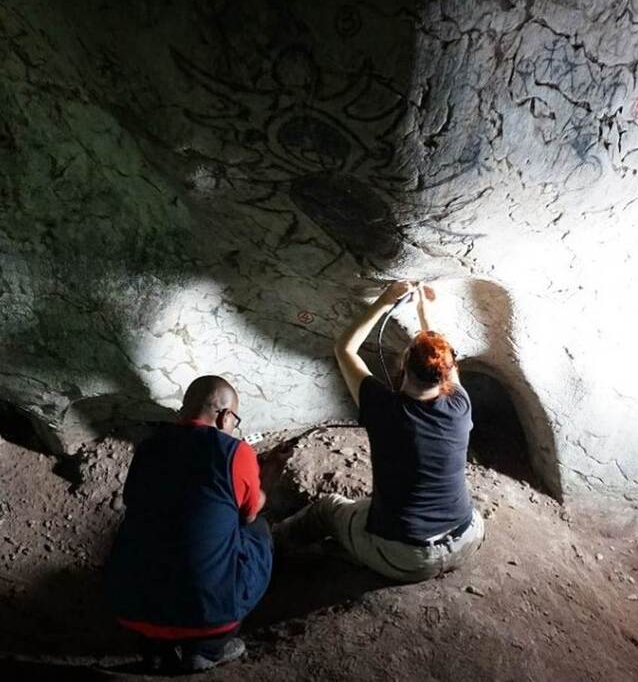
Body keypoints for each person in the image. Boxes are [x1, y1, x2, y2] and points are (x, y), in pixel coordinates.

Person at [274, 281, 484, 582]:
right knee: (368, 507)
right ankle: (359, 549)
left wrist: (385, 300)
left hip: (410, 557)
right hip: (467, 537)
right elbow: (444, 361)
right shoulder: (460, 403)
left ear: (403, 364)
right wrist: (426, 312)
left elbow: (344, 348)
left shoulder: (385, 409)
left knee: (328, 509)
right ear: (446, 373)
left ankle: (265, 547)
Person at [104, 375, 272, 673]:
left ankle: (154, 651)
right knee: (258, 531)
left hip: (130, 605)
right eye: (235, 419)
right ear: (224, 416)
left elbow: (134, 500)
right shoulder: (235, 452)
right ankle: (207, 650)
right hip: (209, 614)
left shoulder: (148, 448)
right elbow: (249, 514)